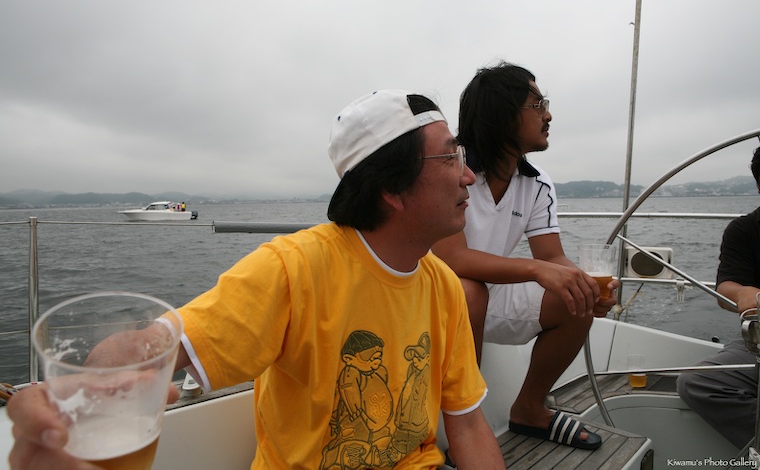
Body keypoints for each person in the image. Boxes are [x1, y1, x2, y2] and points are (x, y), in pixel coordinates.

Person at [7, 90, 505, 469]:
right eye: (450, 157)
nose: (468, 176)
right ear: (391, 190)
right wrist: (84, 399)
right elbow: (152, 346)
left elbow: (467, 425)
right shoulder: (295, 268)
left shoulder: (443, 285)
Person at [432, 62, 619, 451]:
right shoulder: (454, 170)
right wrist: (537, 270)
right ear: (502, 114)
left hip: (487, 295)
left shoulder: (537, 183)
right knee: (468, 291)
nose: (548, 115)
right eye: (538, 105)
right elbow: (452, 259)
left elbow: (551, 255)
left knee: (574, 297)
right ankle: (458, 430)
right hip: (433, 295)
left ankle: (529, 409)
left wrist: (584, 284)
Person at [676, 147, 760, 450]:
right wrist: (743, 293)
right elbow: (726, 291)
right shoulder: (745, 230)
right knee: (698, 382)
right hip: (758, 343)